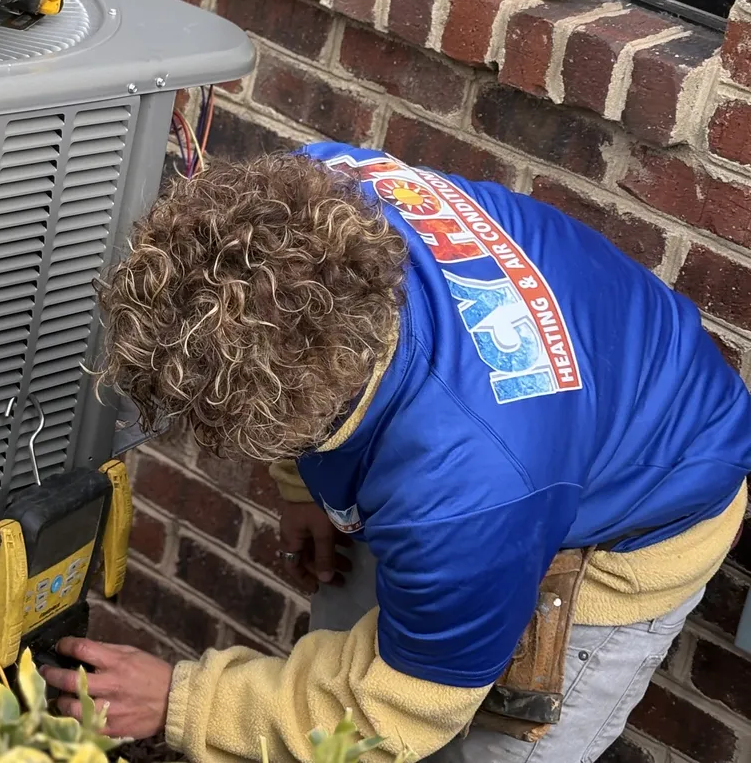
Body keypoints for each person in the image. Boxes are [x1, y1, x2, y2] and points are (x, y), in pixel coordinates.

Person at [41, 144, 751, 763]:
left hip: (636, 511)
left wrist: (181, 703)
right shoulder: (321, 185)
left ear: (318, 403)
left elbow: (395, 712)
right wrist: (302, 486)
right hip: (540, 433)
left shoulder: (466, 492)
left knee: (478, 750)